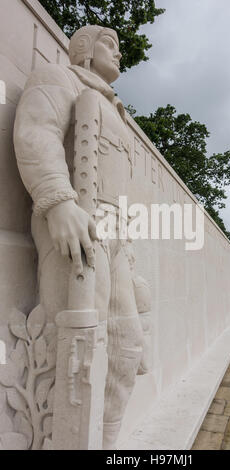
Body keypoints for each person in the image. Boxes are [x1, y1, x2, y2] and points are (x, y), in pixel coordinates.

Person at [14, 25, 146, 450]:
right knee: (77, 350)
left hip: (115, 236)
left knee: (128, 348)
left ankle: (107, 446)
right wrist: (57, 202)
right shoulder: (59, 77)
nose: (120, 54)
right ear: (86, 49)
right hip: (76, 226)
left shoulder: (117, 111)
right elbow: (37, 131)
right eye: (111, 43)